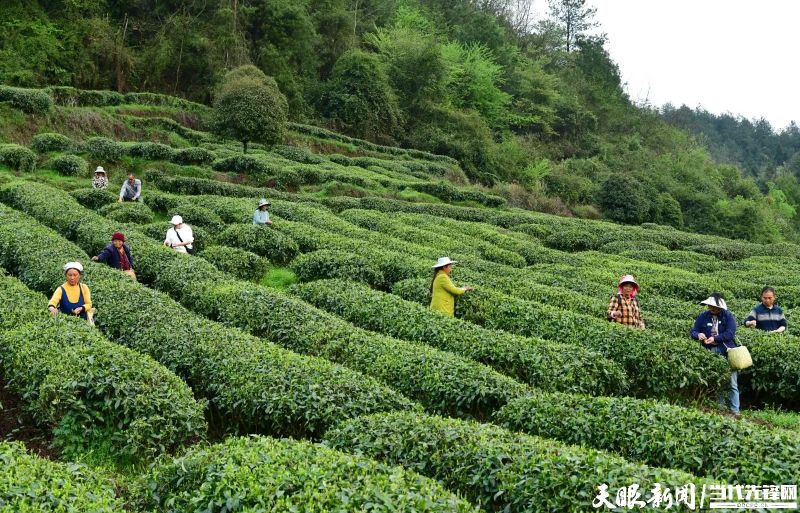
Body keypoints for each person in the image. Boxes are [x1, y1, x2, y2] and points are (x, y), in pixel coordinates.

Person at [691, 293, 740, 416]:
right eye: (710, 306)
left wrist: (715, 338)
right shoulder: (703, 316)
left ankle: (735, 411)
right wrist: (698, 335)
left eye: (714, 307)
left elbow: (730, 333)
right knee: (718, 382)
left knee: (732, 382)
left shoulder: (728, 317)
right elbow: (694, 331)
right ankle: (720, 407)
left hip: (727, 351)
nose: (712, 309)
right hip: (710, 352)